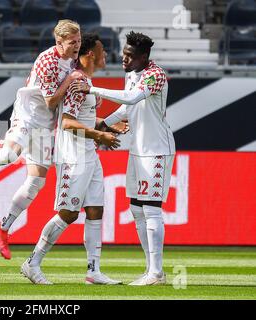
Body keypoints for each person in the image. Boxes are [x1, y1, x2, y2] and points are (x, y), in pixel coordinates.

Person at [0, 20, 119, 260]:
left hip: (45, 125)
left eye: (77, 42)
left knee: (36, 183)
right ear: (58, 42)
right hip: (28, 116)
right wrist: (71, 79)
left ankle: (2, 228)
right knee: (10, 154)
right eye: (71, 43)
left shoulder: (74, 61)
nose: (76, 47)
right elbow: (51, 102)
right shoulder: (47, 60)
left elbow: (76, 86)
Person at [72, 31, 176, 286]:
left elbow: (132, 97)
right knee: (137, 209)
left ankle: (157, 273)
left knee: (151, 209)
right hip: (138, 149)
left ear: (143, 56)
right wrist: (104, 126)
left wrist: (91, 89)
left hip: (157, 149)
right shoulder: (132, 75)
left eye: (130, 55)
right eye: (124, 53)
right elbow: (127, 107)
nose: (124, 59)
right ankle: (152, 270)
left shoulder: (156, 75)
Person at [21, 33, 124, 285]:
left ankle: (93, 271)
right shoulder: (78, 83)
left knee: (95, 210)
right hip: (73, 155)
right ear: (91, 54)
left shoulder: (86, 82)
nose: (106, 56)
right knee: (68, 213)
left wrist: (105, 126)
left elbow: (82, 118)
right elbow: (67, 123)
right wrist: (99, 134)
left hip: (89, 152)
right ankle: (32, 263)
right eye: (102, 51)